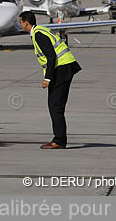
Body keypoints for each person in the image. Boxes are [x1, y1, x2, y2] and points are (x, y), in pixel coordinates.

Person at [19, 11, 81, 149]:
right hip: (64, 67)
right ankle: (60, 139)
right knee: (56, 105)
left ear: (26, 23)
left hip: (62, 68)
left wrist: (47, 78)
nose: (20, 25)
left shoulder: (38, 34)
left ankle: (59, 140)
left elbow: (51, 56)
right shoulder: (40, 31)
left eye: (21, 22)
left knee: (55, 106)